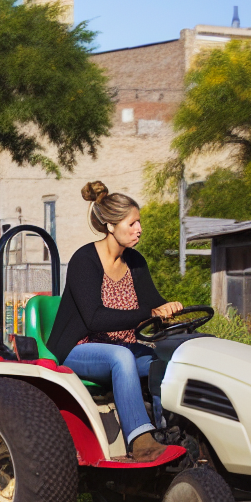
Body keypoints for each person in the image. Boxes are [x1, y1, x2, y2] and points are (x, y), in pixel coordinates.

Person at [48, 181, 183, 462]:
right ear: (111, 226)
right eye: (132, 223)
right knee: (121, 358)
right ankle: (140, 440)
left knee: (166, 361)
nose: (139, 229)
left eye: (139, 223)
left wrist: (170, 309)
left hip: (122, 346)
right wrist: (150, 313)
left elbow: (153, 303)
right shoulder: (84, 260)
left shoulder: (135, 262)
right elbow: (95, 319)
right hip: (78, 347)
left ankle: (167, 429)